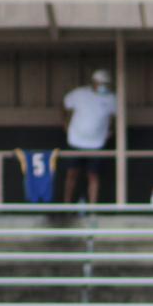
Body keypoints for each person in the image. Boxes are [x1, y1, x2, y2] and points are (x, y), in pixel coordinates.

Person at [61, 69, 117, 205]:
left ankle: (93, 207)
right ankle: (66, 204)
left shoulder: (112, 98)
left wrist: (110, 130)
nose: (103, 86)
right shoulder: (80, 94)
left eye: (105, 84)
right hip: (76, 140)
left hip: (96, 143)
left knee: (93, 175)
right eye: (100, 83)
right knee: (72, 173)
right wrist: (65, 124)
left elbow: (116, 118)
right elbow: (64, 106)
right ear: (93, 82)